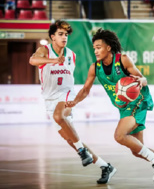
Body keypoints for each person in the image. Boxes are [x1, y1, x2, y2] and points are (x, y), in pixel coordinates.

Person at [65, 28, 154, 187]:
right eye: (94, 48)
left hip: (138, 100)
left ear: (108, 47)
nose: (95, 50)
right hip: (124, 107)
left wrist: (141, 81)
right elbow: (85, 90)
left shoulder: (123, 60)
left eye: (99, 47)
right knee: (137, 150)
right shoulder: (95, 67)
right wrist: (75, 101)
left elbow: (142, 79)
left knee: (119, 135)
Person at [29, 20, 116, 184]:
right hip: (49, 99)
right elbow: (33, 61)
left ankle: (82, 151)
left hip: (66, 94)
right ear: (52, 37)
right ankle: (105, 166)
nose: (64, 37)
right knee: (71, 141)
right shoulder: (44, 50)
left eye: (66, 35)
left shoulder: (71, 55)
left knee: (59, 116)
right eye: (60, 34)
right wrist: (53, 61)